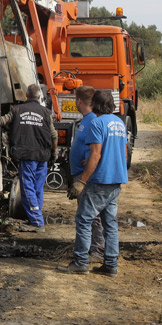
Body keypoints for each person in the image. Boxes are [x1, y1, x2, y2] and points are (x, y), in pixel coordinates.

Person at [58, 89, 129, 277]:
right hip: (116, 180)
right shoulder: (119, 123)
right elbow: (123, 153)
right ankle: (111, 265)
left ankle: (81, 262)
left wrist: (81, 181)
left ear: (95, 104)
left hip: (99, 180)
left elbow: (96, 154)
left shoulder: (96, 123)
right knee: (110, 223)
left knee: (84, 219)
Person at [0, 83, 57, 232]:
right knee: (38, 189)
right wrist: (53, 154)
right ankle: (35, 217)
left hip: (27, 155)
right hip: (43, 155)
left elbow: (1, 121)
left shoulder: (17, 110)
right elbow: (54, 136)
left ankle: (37, 222)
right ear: (39, 97)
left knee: (28, 188)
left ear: (27, 95)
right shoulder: (46, 113)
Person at [68, 86, 105, 262]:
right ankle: (89, 247)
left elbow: (99, 147)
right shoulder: (86, 120)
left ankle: (97, 250)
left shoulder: (93, 120)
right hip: (79, 173)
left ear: (79, 101)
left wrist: (89, 162)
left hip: (85, 176)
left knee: (91, 214)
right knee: (85, 213)